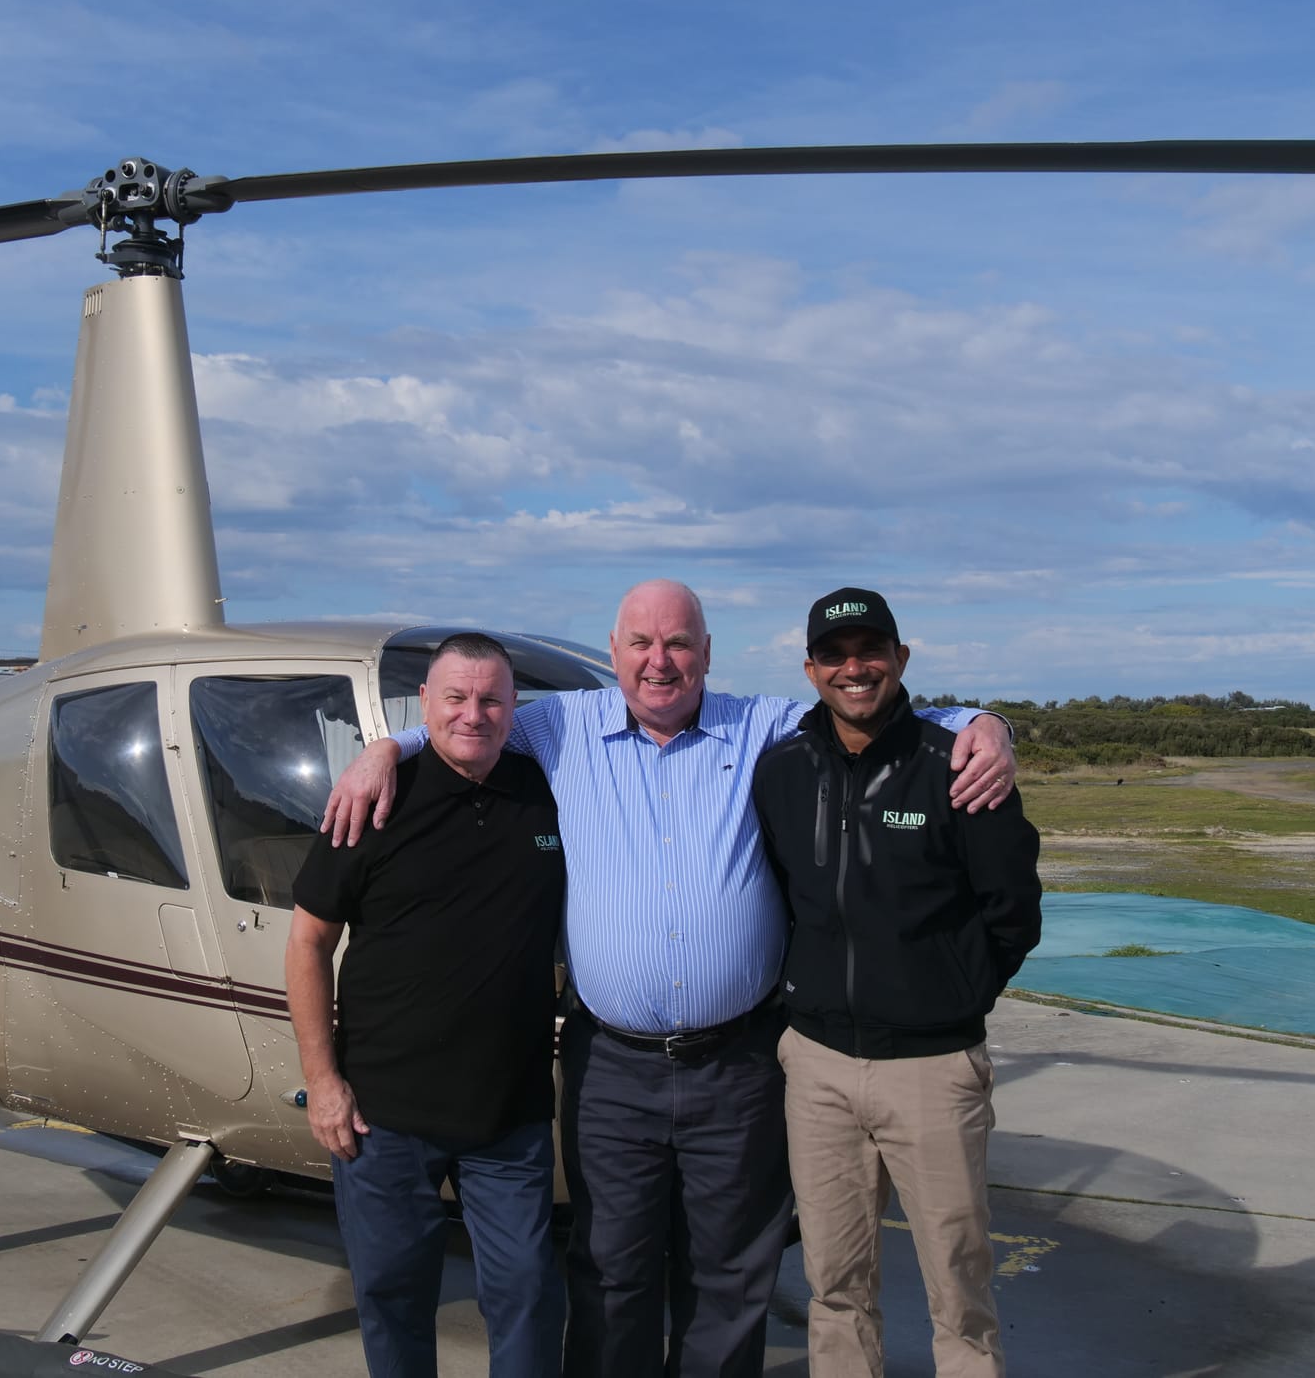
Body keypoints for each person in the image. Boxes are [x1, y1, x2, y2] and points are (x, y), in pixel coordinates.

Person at [322, 581, 1016, 1378]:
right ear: (613, 654)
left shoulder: (761, 725)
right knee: (610, 1268)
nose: (661, 661)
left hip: (737, 1065)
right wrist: (386, 749)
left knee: (730, 1270)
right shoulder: (561, 725)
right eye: (642, 644)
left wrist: (987, 724)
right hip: (612, 1068)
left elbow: (876, 713)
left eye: (680, 643)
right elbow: (466, 724)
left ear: (707, 655)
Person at [752, 588, 1041, 1377]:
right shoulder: (780, 770)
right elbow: (779, 894)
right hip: (816, 1068)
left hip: (933, 1070)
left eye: (871, 650)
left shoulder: (958, 764)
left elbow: (1012, 908)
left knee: (959, 1279)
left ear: (901, 659)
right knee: (834, 1283)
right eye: (836, 655)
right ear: (810, 669)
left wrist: (951, 994)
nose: (855, 668)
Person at [286, 632, 566, 1378]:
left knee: (530, 1291)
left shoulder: (545, 793)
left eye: (491, 699)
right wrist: (323, 1080)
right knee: (393, 1296)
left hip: (509, 1116)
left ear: (513, 709)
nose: (473, 714)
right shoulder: (372, 800)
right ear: (426, 706)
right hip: (385, 1117)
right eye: (455, 698)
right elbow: (308, 944)